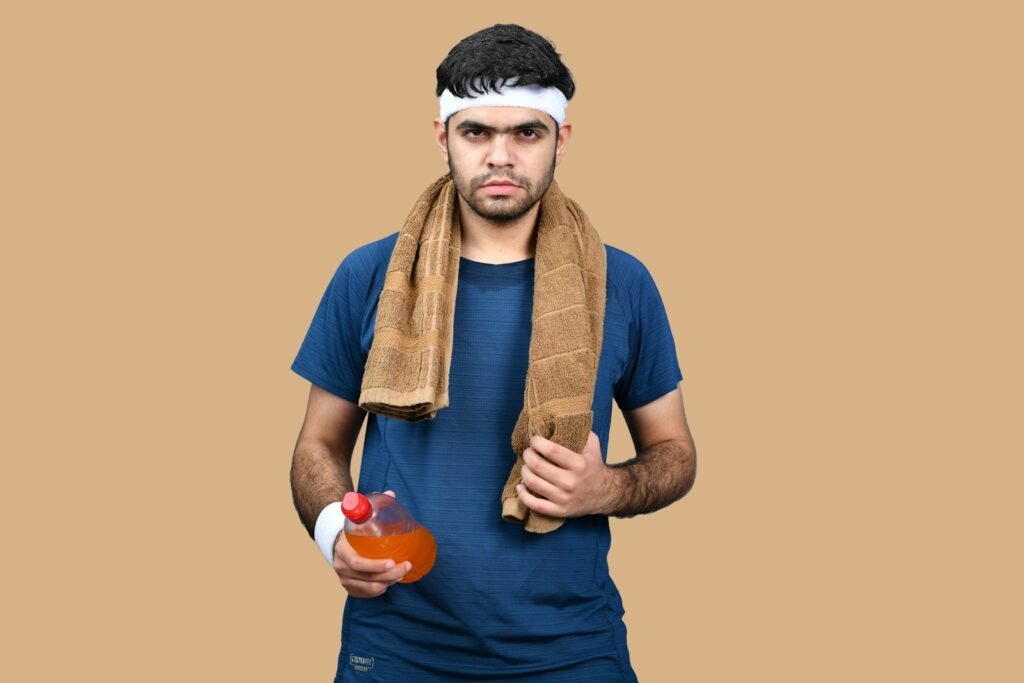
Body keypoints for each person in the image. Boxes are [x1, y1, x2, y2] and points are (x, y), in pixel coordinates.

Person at [289, 23, 696, 682]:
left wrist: (607, 487)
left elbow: (675, 452)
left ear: (561, 139)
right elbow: (317, 445)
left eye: (526, 132)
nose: (500, 156)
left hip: (573, 646)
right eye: (476, 131)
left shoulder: (625, 283)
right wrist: (335, 528)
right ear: (441, 137)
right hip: (396, 644)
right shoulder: (367, 276)